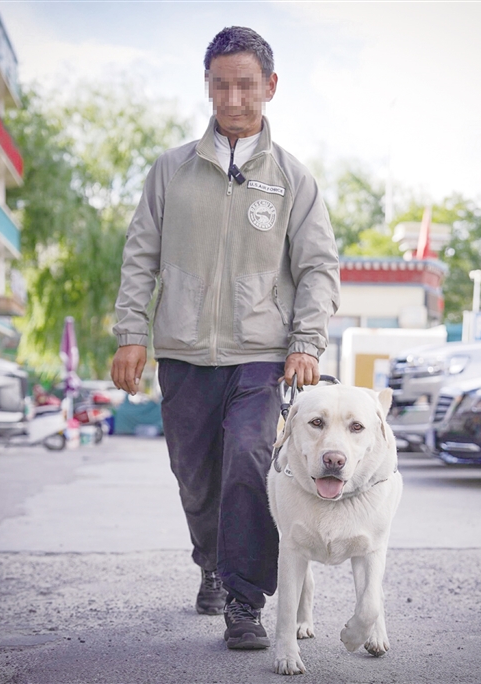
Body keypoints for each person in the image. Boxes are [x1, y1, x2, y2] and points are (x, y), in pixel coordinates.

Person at [111, 26, 340, 650]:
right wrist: (131, 333)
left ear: (271, 86)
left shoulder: (292, 179)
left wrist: (306, 342)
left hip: (262, 354)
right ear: (207, 86)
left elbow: (319, 267)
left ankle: (245, 600)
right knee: (195, 476)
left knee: (247, 461)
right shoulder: (171, 171)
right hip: (184, 352)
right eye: (221, 85)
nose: (233, 98)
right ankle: (210, 563)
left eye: (246, 85)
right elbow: (140, 255)